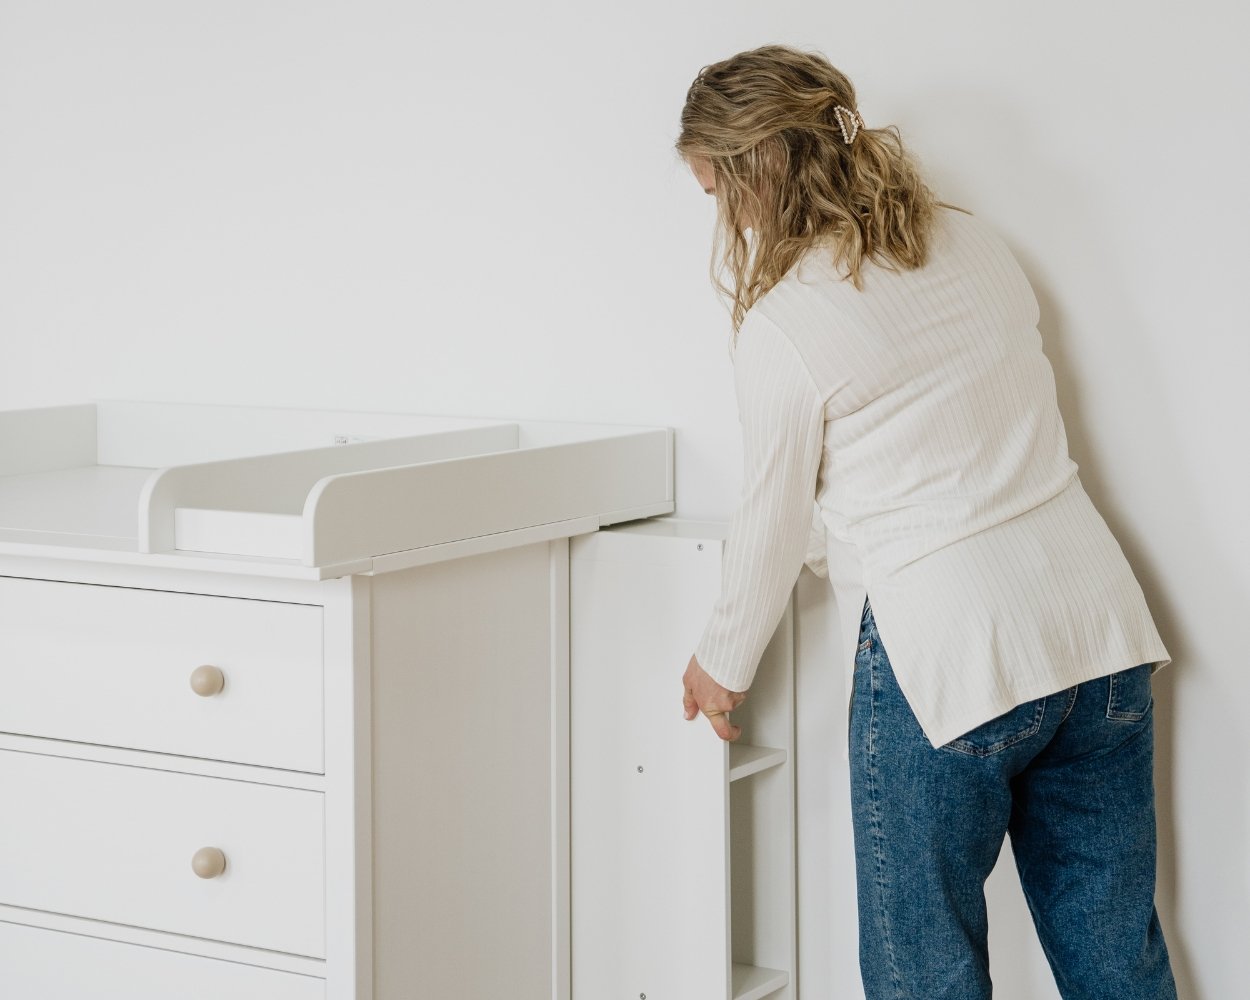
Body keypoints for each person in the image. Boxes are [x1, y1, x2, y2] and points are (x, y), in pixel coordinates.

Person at [674, 44, 1179, 1000]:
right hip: (1097, 633)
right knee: (1119, 964)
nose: (724, 219)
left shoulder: (785, 323)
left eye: (716, 192)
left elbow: (771, 524)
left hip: (951, 660)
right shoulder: (973, 243)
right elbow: (935, 440)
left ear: (759, 171)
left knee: (924, 976)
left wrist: (718, 664)